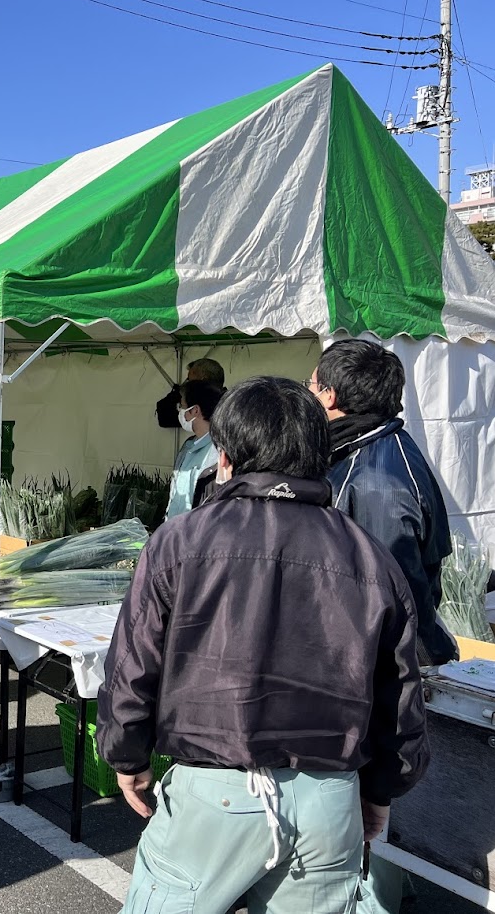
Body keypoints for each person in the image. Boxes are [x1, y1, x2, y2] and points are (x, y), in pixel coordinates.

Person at [98, 376, 428, 914]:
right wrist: (380, 790)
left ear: (223, 458)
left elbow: (134, 667)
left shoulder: (179, 541)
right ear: (321, 457)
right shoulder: (370, 557)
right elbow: (399, 697)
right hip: (327, 800)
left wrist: (127, 754)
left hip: (213, 798)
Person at [309, 340, 457, 914]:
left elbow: (387, 594)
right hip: (367, 665)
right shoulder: (373, 449)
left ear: (331, 394)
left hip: (364, 671)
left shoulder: (375, 476)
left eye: (312, 382)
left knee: (363, 821)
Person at [164, 379, 224, 520]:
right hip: (175, 532)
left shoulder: (217, 451)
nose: (179, 411)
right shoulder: (189, 445)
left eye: (182, 406)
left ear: (195, 410)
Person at [155, 357, 225, 429]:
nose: (188, 385)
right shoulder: (229, 403)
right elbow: (164, 416)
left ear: (203, 380)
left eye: (190, 380)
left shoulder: (229, 408)